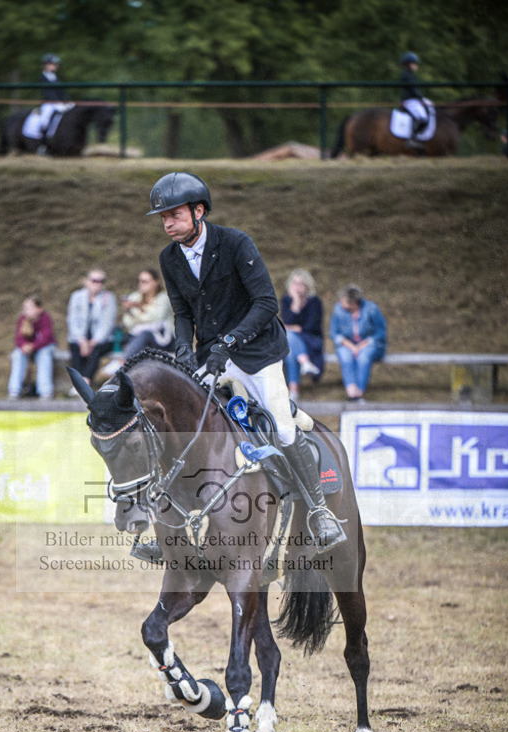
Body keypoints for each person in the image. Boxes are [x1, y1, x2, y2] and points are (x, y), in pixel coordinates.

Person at [147, 171, 345, 552]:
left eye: (174, 214)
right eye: (162, 218)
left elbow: (267, 303)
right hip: (212, 358)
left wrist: (229, 341)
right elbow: (182, 313)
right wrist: (184, 352)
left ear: (199, 211)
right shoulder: (169, 258)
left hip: (257, 353)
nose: (167, 223)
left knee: (283, 429)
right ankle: (170, 521)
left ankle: (320, 512)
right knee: (180, 425)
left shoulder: (236, 243)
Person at [103, 268, 174, 377]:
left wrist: (138, 307)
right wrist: (128, 311)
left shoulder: (163, 298)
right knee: (114, 338)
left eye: (145, 281)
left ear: (156, 282)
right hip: (138, 337)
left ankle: (122, 362)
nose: (141, 284)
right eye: (140, 281)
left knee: (144, 334)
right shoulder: (135, 296)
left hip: (163, 339)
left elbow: (154, 317)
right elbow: (128, 323)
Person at [329, 284, 387, 401]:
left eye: (344, 301)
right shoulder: (338, 309)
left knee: (364, 356)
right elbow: (333, 333)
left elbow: (381, 331)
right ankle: (352, 392)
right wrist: (351, 346)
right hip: (346, 344)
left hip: (371, 344)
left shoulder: (371, 309)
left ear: (354, 302)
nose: (341, 303)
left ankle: (358, 393)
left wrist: (364, 344)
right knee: (346, 356)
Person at [66, 269, 118, 390]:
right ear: (86, 281)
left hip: (101, 339)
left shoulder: (108, 298)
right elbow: (72, 320)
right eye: (94, 281)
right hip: (80, 337)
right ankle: (79, 381)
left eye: (101, 281)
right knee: (75, 347)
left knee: (96, 350)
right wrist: (81, 340)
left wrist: (93, 342)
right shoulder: (77, 297)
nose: (98, 284)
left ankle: (85, 381)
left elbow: (107, 324)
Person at [280, 268, 324, 400]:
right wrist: (296, 303)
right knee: (290, 345)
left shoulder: (314, 302)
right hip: (293, 341)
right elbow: (286, 321)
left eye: (301, 284)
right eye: (295, 283)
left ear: (307, 286)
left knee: (289, 339)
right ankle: (304, 362)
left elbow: (311, 326)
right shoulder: (287, 301)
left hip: (311, 340)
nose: (297, 287)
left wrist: (294, 328)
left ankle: (293, 390)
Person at [7, 293, 56, 400]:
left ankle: (45, 391)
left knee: (44, 356)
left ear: (39, 309)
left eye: (29, 308)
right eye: (25, 308)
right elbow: (18, 338)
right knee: (17, 355)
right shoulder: (22, 319)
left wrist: (33, 346)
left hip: (44, 347)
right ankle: (14, 390)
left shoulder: (45, 318)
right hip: (27, 349)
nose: (26, 310)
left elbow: (46, 338)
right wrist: (23, 346)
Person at [37, 54, 71, 142]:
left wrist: (67, 101)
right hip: (49, 104)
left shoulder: (56, 78)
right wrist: (55, 102)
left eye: (55, 64)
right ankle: (43, 140)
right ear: (46, 65)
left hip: (59, 103)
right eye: (52, 64)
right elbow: (47, 92)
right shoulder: (42, 78)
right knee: (44, 120)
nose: (55, 66)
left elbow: (62, 92)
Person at [399, 51, 429, 149]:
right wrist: (421, 99)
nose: (416, 66)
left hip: (413, 100)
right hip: (410, 101)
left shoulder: (410, 75)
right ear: (408, 65)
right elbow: (414, 89)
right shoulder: (408, 76)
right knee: (422, 118)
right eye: (414, 64)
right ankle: (411, 139)